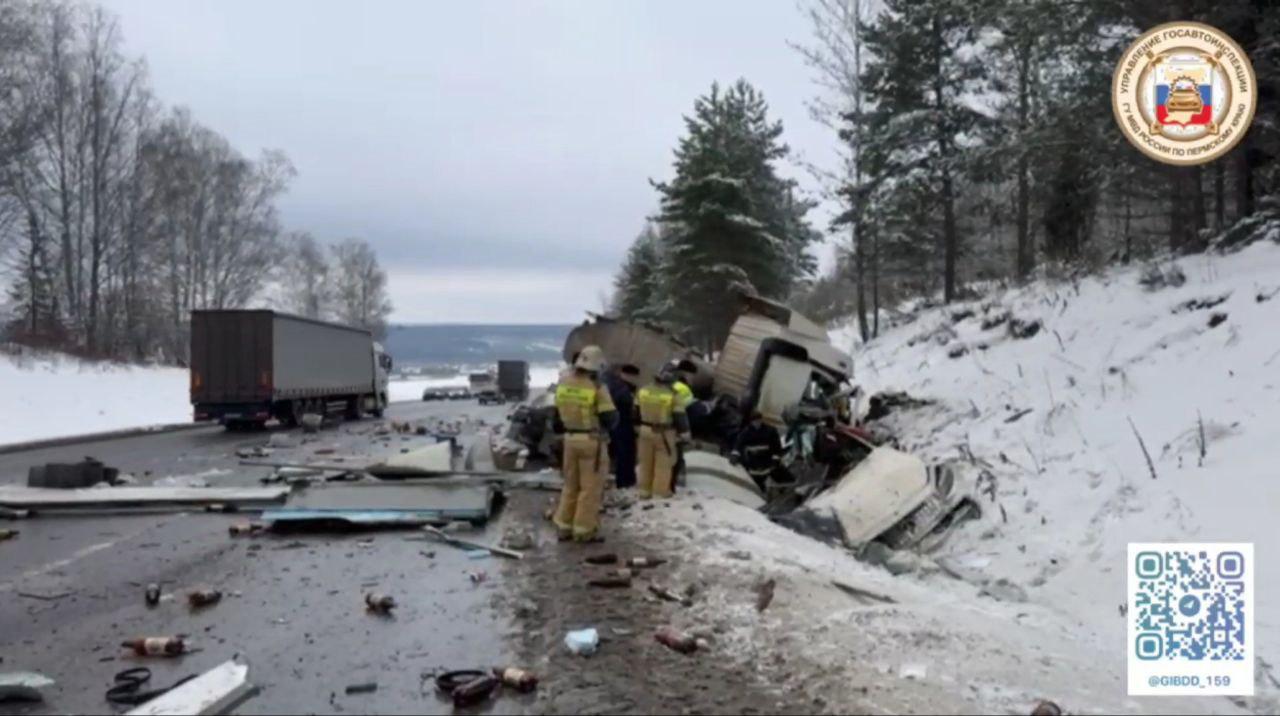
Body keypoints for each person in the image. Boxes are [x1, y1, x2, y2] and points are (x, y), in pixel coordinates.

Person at [552, 345, 618, 542]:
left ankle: (564, 526)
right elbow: (610, 417)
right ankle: (584, 530)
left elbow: (555, 417)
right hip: (591, 441)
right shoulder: (596, 387)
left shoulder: (563, 383)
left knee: (570, 484)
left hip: (569, 439)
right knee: (590, 488)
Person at [635, 362, 691, 499]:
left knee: (645, 462)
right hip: (664, 433)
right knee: (664, 464)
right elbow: (679, 416)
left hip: (644, 431)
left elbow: (635, 412)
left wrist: (637, 427)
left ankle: (644, 491)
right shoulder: (673, 395)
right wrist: (685, 434)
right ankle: (660, 493)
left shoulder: (643, 390)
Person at [731, 410, 787, 494]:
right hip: (752, 461)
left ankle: (769, 490)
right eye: (755, 421)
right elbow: (738, 444)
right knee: (755, 480)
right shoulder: (746, 432)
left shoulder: (770, 431)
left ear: (761, 420)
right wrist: (735, 454)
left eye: (758, 420)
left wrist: (776, 458)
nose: (757, 423)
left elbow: (776, 446)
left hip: (766, 459)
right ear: (751, 422)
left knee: (769, 476)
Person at [603, 364, 639, 489]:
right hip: (623, 425)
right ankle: (625, 482)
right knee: (625, 454)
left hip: (616, 425)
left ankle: (624, 481)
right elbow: (626, 405)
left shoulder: (611, 385)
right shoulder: (621, 388)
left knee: (621, 454)